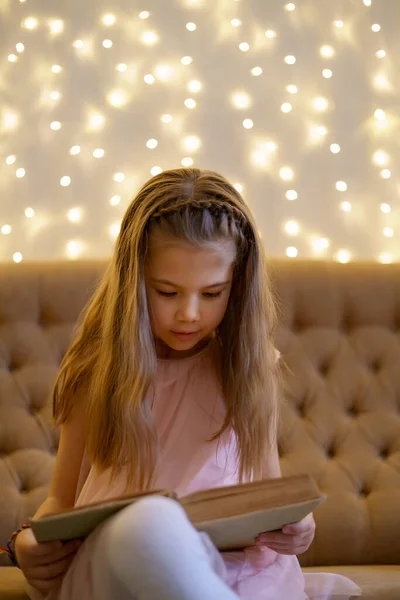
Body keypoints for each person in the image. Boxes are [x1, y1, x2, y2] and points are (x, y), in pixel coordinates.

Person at [12, 168, 361, 600]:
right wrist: (27, 540)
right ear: (134, 282)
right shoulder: (98, 369)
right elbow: (61, 501)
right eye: (167, 292)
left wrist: (297, 527)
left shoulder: (248, 368)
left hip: (234, 573)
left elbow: (270, 492)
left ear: (237, 288)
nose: (190, 314)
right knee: (151, 523)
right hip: (116, 565)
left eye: (212, 293)